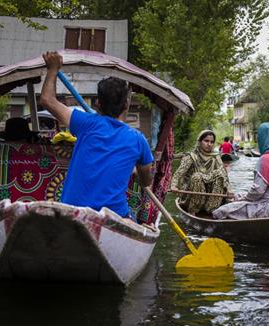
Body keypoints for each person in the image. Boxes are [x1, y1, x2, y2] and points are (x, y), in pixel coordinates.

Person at [39, 51, 153, 220]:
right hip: (113, 216)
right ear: (126, 104)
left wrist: (53, 69)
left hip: (71, 212)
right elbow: (146, 182)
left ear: (98, 104)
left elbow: (47, 100)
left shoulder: (84, 123)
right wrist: (136, 170)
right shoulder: (138, 140)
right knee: (135, 219)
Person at [212, 123, 269, 220]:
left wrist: (241, 198)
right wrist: (238, 197)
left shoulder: (266, 159)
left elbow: (257, 191)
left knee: (220, 211)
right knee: (236, 197)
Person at [171, 130, 231, 215]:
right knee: (197, 177)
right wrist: (173, 186)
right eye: (206, 141)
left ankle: (212, 210)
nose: (209, 144)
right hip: (191, 195)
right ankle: (193, 210)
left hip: (209, 196)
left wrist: (229, 190)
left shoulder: (216, 157)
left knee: (220, 174)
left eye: (212, 142)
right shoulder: (191, 156)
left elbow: (224, 175)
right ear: (199, 142)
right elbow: (179, 174)